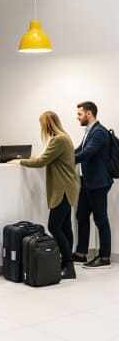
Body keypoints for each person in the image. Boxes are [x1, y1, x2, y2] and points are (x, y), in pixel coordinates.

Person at [10, 111, 80, 280]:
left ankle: (68, 266)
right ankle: (66, 263)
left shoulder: (58, 140)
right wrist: (34, 157)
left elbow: (42, 162)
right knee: (65, 227)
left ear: (47, 124)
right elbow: (47, 157)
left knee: (54, 226)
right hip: (68, 188)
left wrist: (20, 161)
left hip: (62, 190)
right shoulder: (64, 137)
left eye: (42, 124)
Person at [72, 101, 113, 268]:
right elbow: (79, 150)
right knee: (81, 216)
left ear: (89, 114)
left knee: (100, 219)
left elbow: (87, 153)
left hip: (98, 183)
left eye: (80, 114)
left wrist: (67, 160)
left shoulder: (99, 132)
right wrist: (63, 155)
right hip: (87, 182)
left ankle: (104, 257)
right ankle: (81, 253)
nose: (77, 117)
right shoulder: (90, 131)